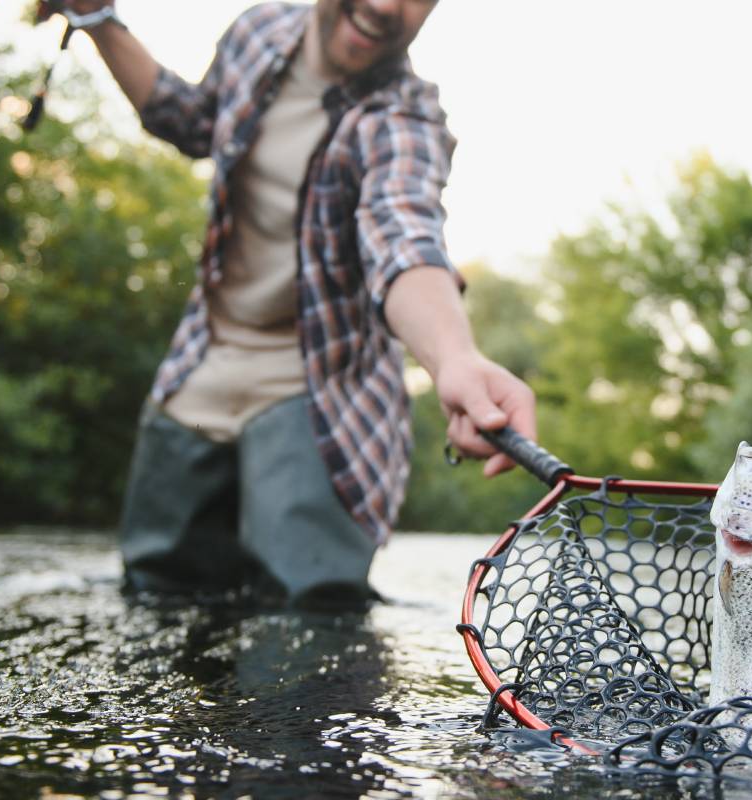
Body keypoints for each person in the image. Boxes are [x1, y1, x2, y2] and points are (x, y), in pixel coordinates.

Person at [63, 0, 535, 607]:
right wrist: (96, 17)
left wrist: (453, 359)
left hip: (320, 388)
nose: (386, 5)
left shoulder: (405, 117)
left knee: (309, 611)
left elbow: (403, 235)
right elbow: (189, 120)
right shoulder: (260, 31)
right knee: (157, 593)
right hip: (204, 362)